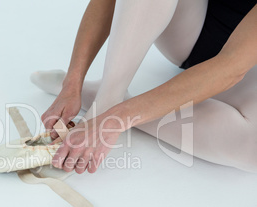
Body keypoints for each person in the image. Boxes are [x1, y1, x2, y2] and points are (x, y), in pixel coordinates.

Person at [30, 0, 257, 174]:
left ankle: (110, 104)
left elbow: (231, 67)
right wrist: (72, 82)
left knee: (251, 148)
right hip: (193, 30)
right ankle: (109, 95)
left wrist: (117, 118)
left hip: (249, 70)